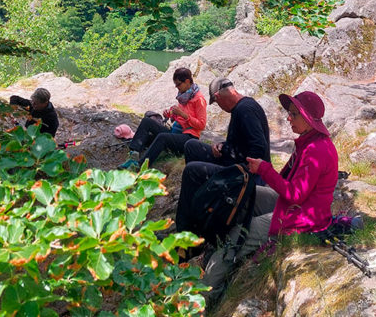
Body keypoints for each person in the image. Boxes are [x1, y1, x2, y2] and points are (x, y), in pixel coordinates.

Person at [200, 90, 339, 301]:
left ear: (308, 118)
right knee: (243, 196)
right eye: (289, 113)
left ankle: (203, 298)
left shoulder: (316, 150)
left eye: (294, 114)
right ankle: (216, 244)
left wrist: (264, 169)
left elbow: (294, 194)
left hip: (301, 217)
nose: (288, 117)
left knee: (237, 234)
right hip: (298, 206)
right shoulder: (309, 142)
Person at [175, 77, 270, 235]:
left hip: (243, 173)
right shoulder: (242, 107)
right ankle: (201, 202)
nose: (219, 107)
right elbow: (242, 142)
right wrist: (223, 146)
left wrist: (240, 169)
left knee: (192, 170)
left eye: (217, 103)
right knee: (191, 146)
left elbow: (259, 148)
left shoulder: (244, 110)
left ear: (218, 96)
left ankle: (186, 233)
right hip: (234, 161)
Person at [118, 67, 207, 170]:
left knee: (162, 137)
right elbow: (180, 118)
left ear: (187, 81)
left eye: (178, 84)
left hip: (188, 138)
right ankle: (133, 155)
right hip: (175, 133)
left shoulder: (199, 99)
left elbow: (201, 125)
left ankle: (139, 166)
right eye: (176, 84)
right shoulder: (184, 95)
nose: (177, 87)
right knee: (147, 121)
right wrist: (171, 115)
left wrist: (183, 115)